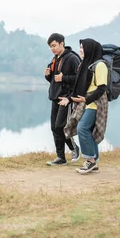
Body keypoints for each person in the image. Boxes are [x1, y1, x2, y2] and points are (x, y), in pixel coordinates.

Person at [60, 38, 109, 174]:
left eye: (82, 47)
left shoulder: (100, 66)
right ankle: (94, 161)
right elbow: (80, 85)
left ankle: (91, 161)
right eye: (80, 47)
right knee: (88, 131)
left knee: (82, 128)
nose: (80, 50)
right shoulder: (87, 65)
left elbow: (101, 89)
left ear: (90, 49)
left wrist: (86, 99)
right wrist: (72, 99)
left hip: (96, 103)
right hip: (87, 102)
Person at [44, 33, 81, 166]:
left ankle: (74, 148)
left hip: (66, 98)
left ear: (62, 43)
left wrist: (64, 78)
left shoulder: (72, 58)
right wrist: (48, 75)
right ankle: (61, 157)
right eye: (50, 46)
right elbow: (54, 80)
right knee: (54, 127)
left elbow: (80, 78)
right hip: (55, 97)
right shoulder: (55, 60)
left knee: (60, 126)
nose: (52, 48)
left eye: (54, 45)